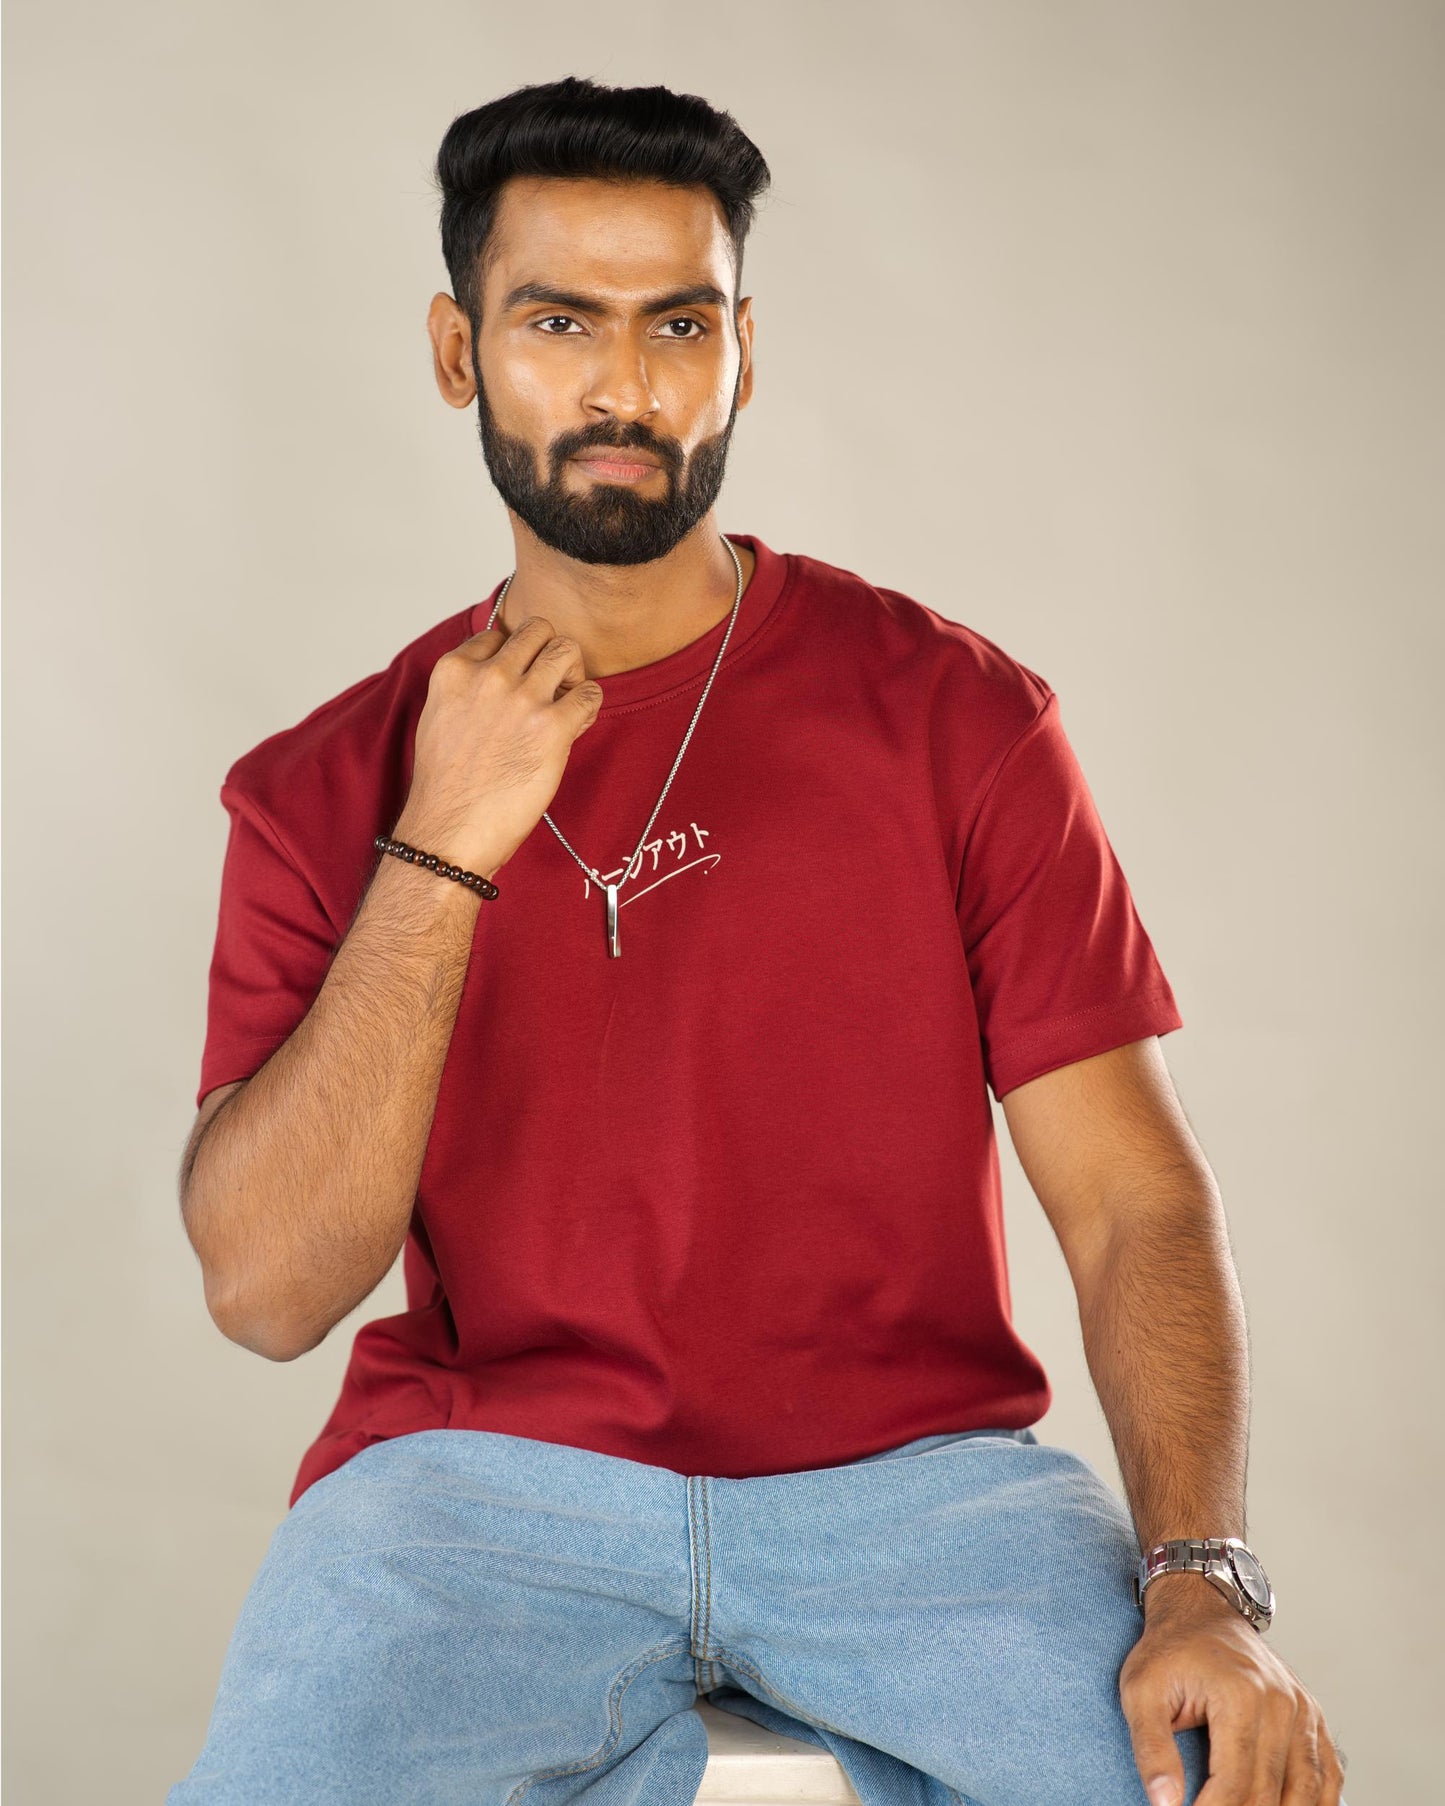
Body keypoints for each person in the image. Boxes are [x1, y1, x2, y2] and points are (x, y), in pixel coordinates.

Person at [169, 75, 1346, 1806]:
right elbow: (268, 1289)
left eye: (680, 323)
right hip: (481, 1487)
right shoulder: (318, 787)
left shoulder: (954, 716)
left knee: (1201, 1790)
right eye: (557, 320)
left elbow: (1131, 1198)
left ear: (743, 351)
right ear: (455, 351)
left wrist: (1207, 1585)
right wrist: (440, 847)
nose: (625, 384)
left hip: (921, 1491)